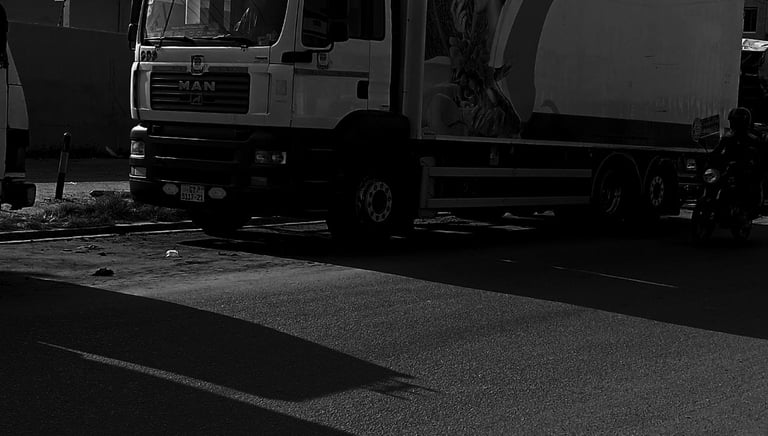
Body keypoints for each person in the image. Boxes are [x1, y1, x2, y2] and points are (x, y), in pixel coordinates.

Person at [710, 107, 765, 215]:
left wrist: (753, 165)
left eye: (737, 122)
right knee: (716, 182)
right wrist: (710, 159)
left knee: (754, 183)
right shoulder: (727, 138)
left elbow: (761, 158)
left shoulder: (754, 140)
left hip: (745, 172)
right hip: (729, 170)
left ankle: (751, 207)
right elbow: (717, 152)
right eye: (734, 122)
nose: (734, 124)